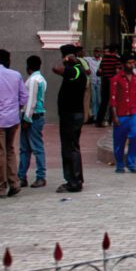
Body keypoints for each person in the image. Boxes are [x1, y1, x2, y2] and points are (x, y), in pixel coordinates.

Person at [0, 49, 27, 198]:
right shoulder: (15, 74)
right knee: (10, 150)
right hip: (13, 119)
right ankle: (14, 183)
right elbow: (23, 97)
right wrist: (15, 109)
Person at [52, 43, 88, 192]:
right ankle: (77, 178)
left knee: (69, 148)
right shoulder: (78, 69)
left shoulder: (75, 71)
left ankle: (73, 182)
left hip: (71, 115)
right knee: (73, 147)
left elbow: (55, 68)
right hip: (74, 114)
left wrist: (66, 59)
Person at [109, 57, 136, 173]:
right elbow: (112, 99)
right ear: (123, 64)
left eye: (133, 62)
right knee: (119, 141)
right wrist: (114, 116)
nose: (132, 65)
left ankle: (131, 162)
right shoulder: (115, 79)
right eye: (129, 62)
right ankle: (119, 164)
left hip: (133, 113)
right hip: (121, 114)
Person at [17, 55, 47, 188]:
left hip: (33, 116)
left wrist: (27, 118)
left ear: (28, 66)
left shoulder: (34, 80)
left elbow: (31, 101)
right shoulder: (40, 78)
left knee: (35, 148)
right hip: (34, 115)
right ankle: (21, 175)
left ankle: (40, 176)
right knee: (26, 148)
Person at [96, 46, 121, 128]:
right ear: (115, 51)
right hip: (113, 82)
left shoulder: (104, 59)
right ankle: (111, 120)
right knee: (113, 101)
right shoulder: (116, 59)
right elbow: (117, 71)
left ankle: (99, 121)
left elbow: (99, 71)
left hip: (105, 82)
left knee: (104, 102)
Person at [84, 47, 101, 123]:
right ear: (94, 52)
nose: (97, 53)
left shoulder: (102, 60)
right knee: (93, 100)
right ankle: (94, 116)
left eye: (98, 51)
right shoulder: (90, 59)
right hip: (92, 81)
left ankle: (98, 115)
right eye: (96, 51)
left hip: (100, 82)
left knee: (99, 100)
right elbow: (81, 57)